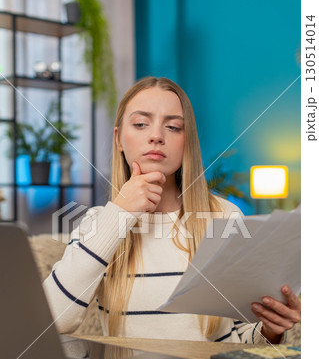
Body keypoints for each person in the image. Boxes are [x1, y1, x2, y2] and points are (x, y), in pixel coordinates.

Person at [43, 76, 301, 344]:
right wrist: (119, 214)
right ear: (119, 139)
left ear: (186, 141)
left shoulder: (226, 217)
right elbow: (51, 320)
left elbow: (239, 340)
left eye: (173, 127)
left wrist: (270, 331)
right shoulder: (99, 222)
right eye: (141, 124)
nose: (156, 136)